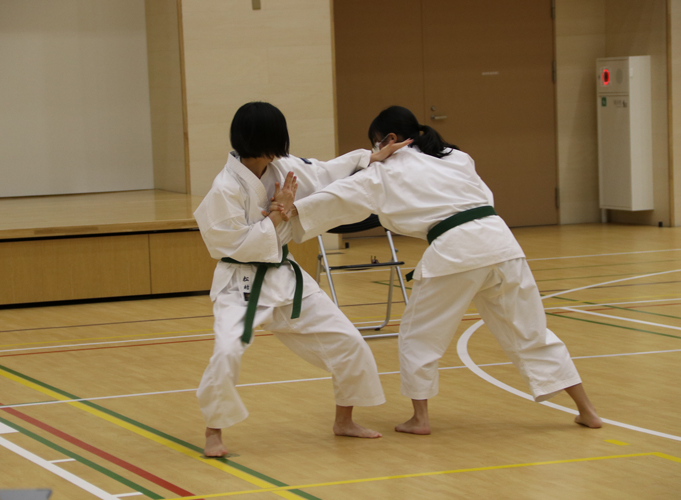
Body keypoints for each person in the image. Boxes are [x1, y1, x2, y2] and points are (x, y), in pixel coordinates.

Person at [285, 105, 602, 434]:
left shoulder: (384, 171)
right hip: (502, 244)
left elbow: (336, 197)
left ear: (390, 140)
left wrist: (291, 211)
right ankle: (588, 411)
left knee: (417, 336)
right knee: (532, 332)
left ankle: (420, 419)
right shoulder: (456, 157)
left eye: (375, 144)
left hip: (456, 251)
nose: (375, 152)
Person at [193, 102, 408, 457]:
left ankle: (344, 421)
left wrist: (371, 158)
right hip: (241, 284)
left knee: (348, 341)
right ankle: (213, 431)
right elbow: (232, 245)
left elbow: (326, 172)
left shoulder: (283, 168)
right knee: (227, 352)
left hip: (285, 276)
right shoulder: (224, 188)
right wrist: (278, 217)